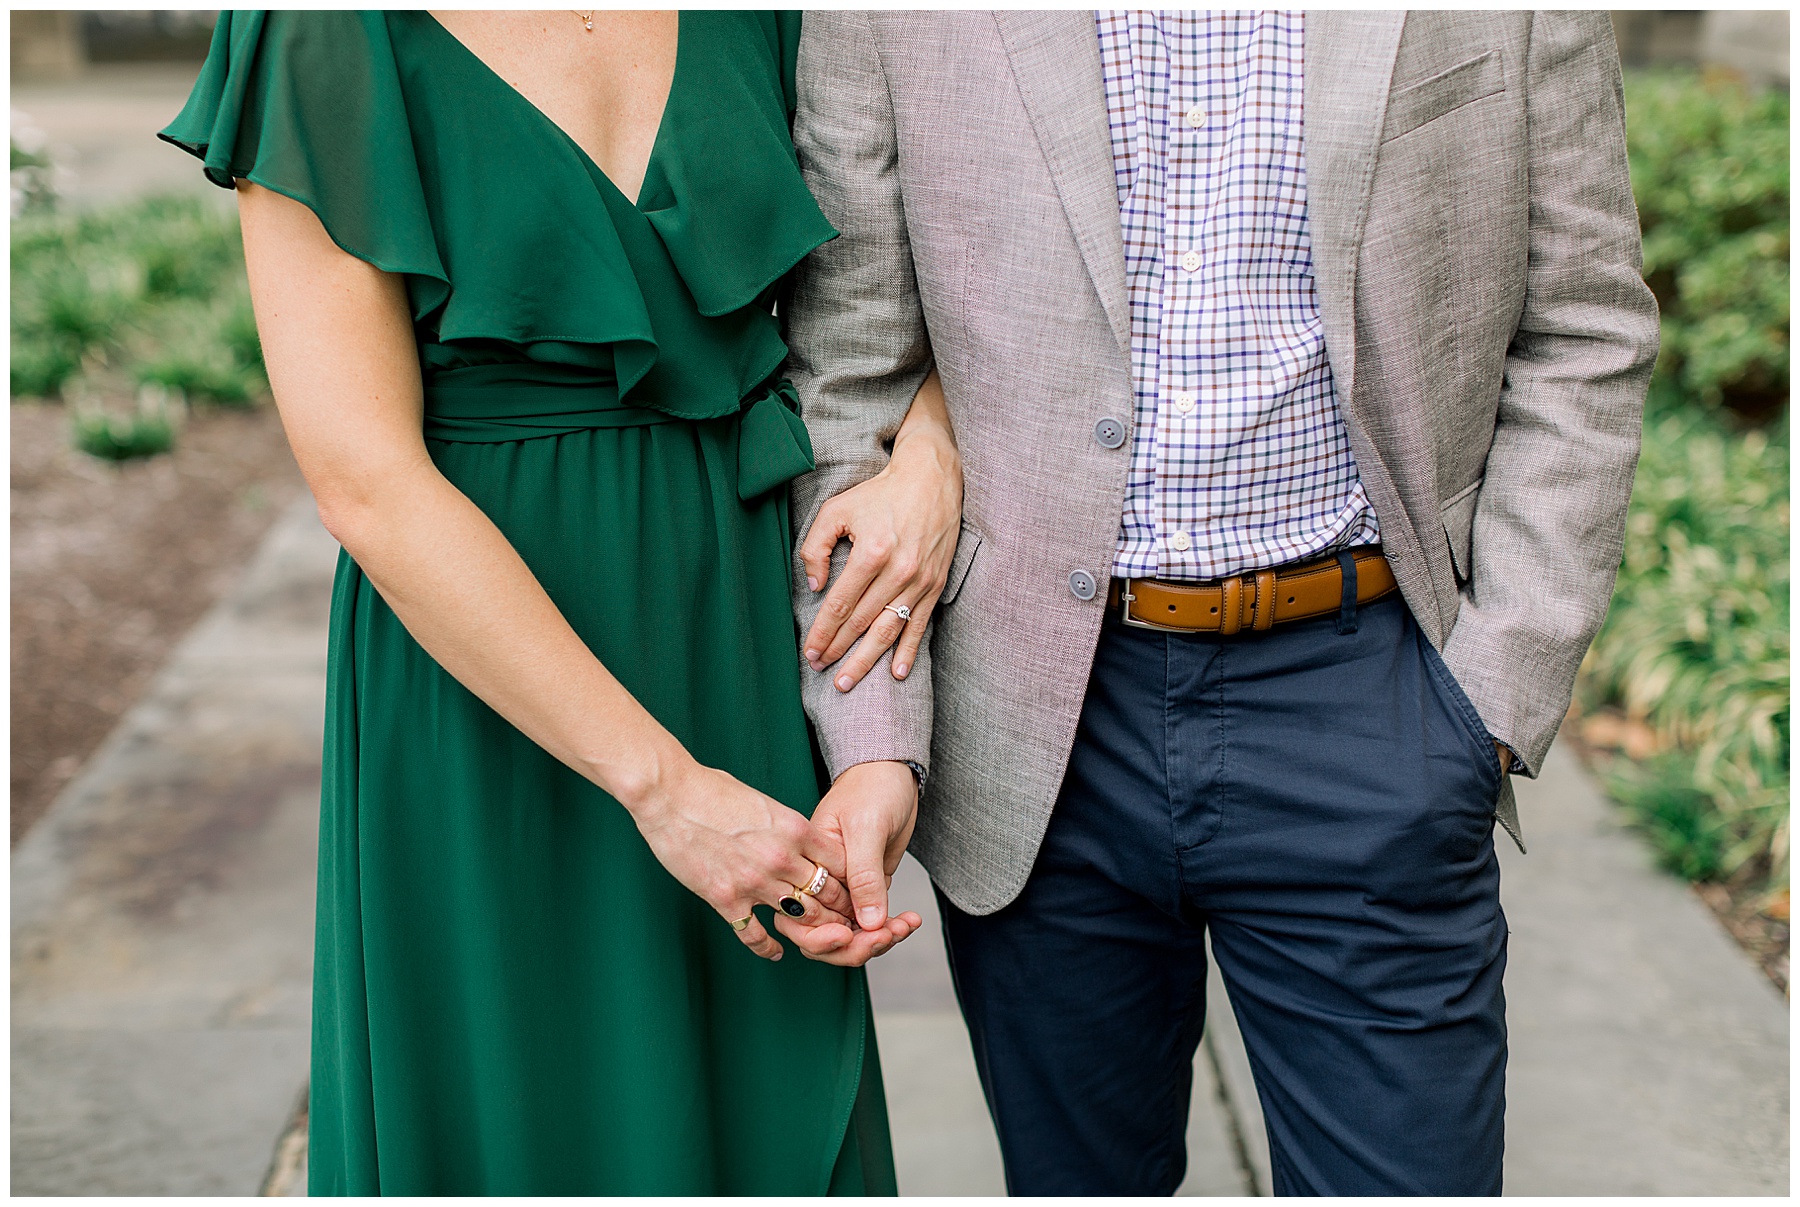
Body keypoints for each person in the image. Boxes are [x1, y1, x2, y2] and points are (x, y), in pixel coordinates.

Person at [788, 10, 1658, 1196]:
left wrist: (1492, 694)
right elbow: (847, 376)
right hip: (1041, 728)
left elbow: (1586, 325)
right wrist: (880, 742)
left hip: (1370, 700)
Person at [160, 10, 964, 1196]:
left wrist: (932, 453)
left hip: (737, 647)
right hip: (490, 691)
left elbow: (897, 300)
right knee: (524, 1113)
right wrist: (668, 789)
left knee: (762, 1117)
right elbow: (366, 483)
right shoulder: (323, 32)